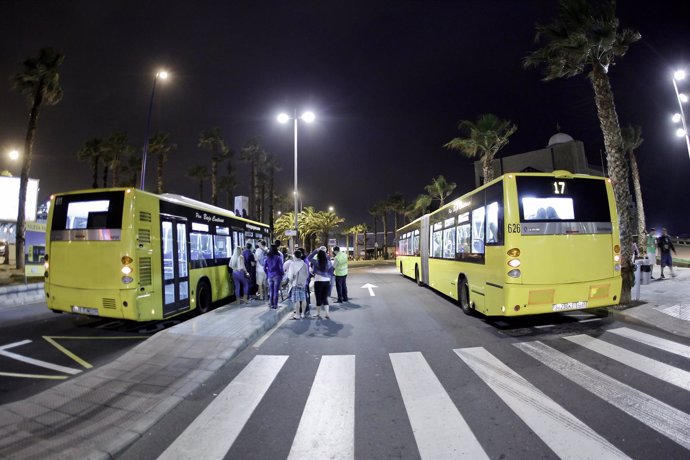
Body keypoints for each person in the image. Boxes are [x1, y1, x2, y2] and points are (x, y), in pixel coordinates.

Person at [309, 246, 333, 319]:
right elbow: (331, 272)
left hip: (318, 281)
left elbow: (309, 258)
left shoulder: (316, 262)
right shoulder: (329, 263)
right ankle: (327, 313)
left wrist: (316, 251)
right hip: (327, 282)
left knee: (318, 298)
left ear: (318, 256)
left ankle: (318, 313)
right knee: (325, 298)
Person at [287, 250, 309, 319]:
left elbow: (290, 276)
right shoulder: (304, 264)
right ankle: (303, 314)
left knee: (296, 300)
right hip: (303, 283)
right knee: (303, 299)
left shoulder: (292, 264)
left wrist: (290, 282)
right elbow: (307, 274)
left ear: (295, 256)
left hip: (295, 284)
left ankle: (297, 314)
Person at [264, 244, 285, 309]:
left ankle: (271, 304)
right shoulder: (278, 258)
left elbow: (265, 268)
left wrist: (267, 273)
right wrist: (282, 274)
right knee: (276, 290)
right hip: (277, 275)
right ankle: (275, 305)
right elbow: (281, 267)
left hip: (270, 275)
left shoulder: (267, 257)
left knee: (271, 290)